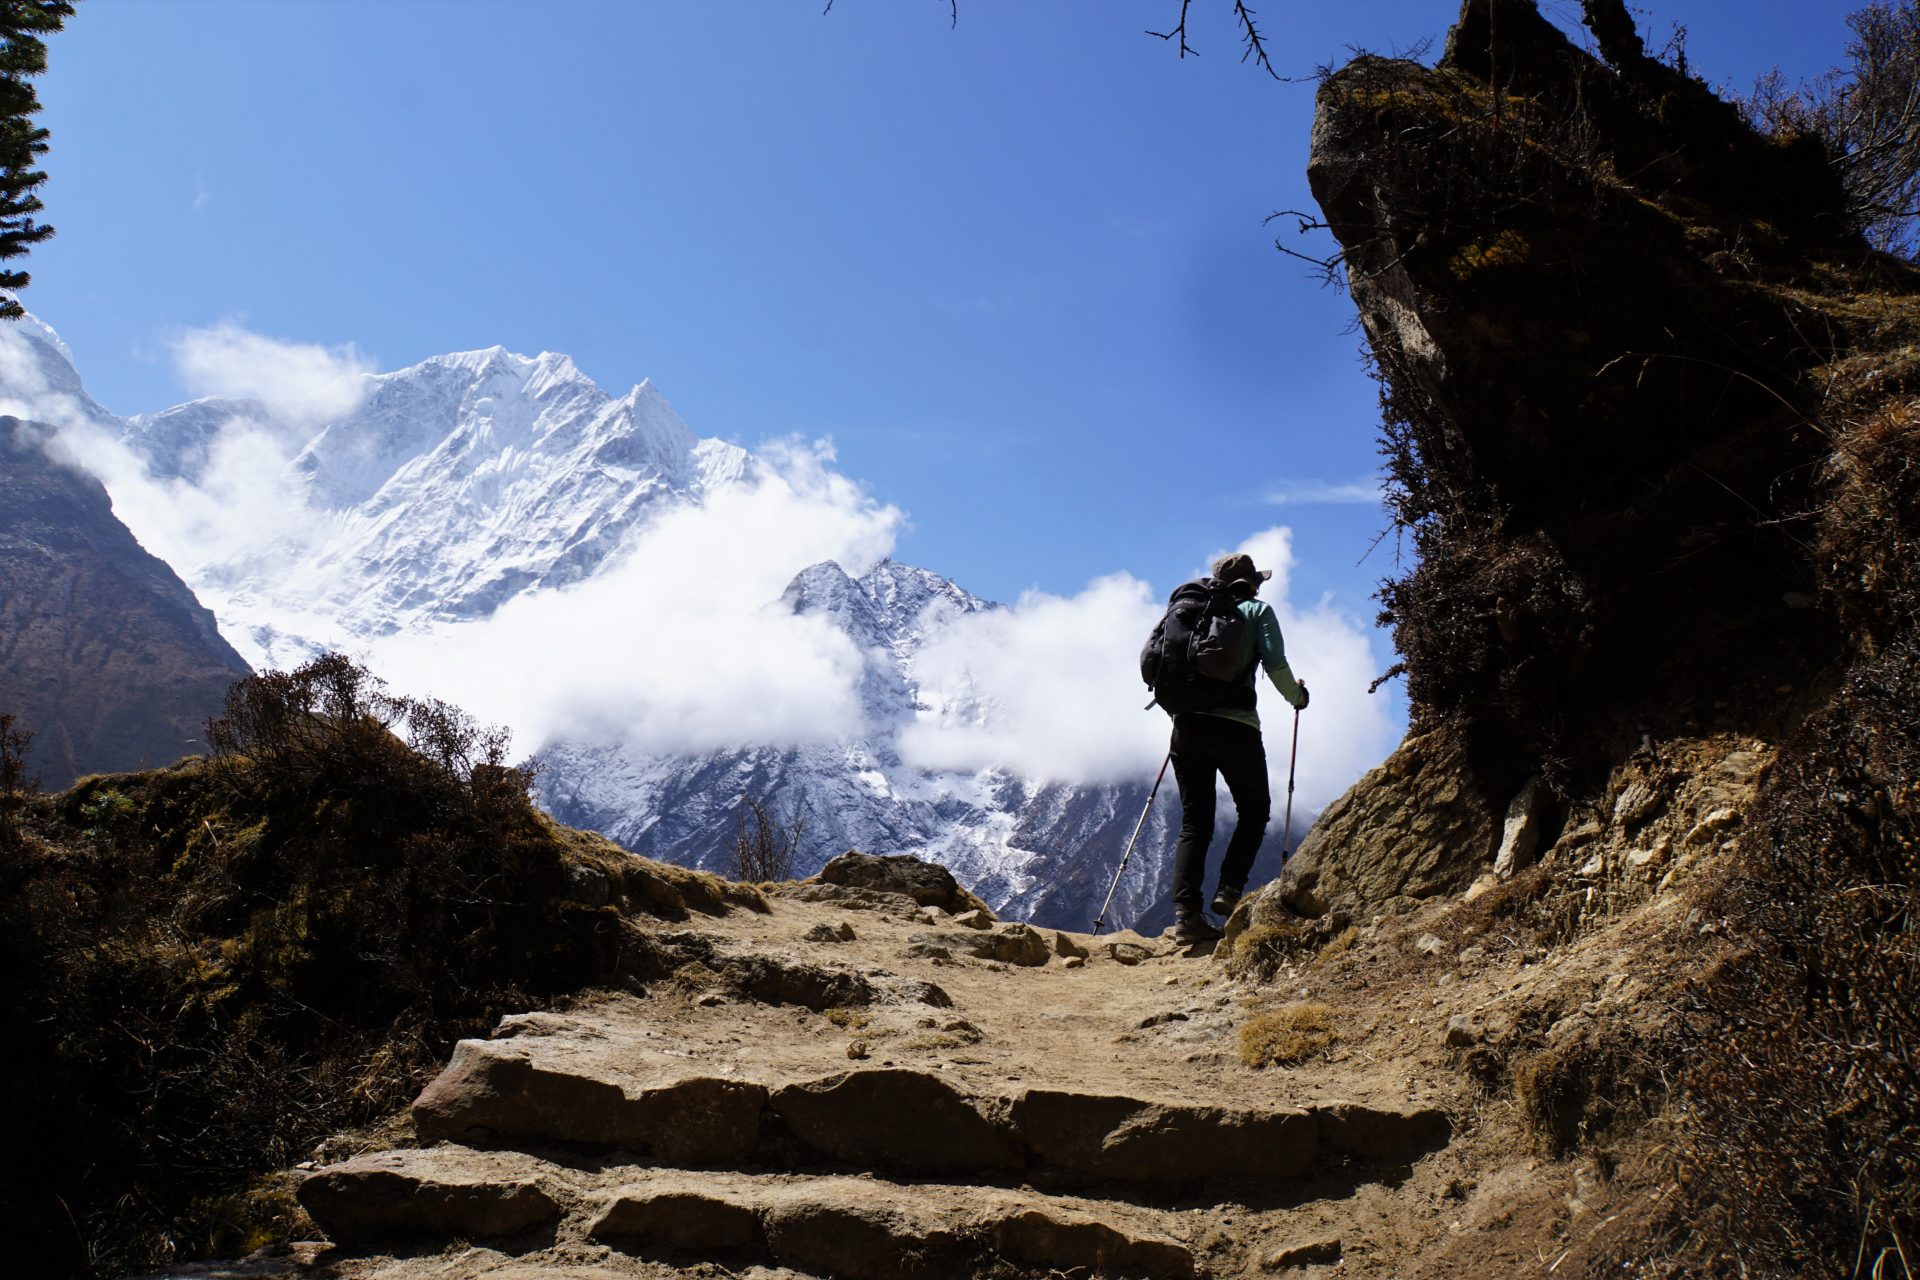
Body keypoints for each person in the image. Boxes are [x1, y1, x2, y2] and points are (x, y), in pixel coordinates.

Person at [1167, 552, 1308, 944]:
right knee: (1255, 810)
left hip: (1188, 725)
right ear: (1254, 583)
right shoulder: (1257, 611)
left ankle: (1186, 917)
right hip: (1236, 728)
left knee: (1195, 823)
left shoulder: (1193, 612)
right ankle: (1229, 889)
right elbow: (1276, 664)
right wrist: (1297, 698)